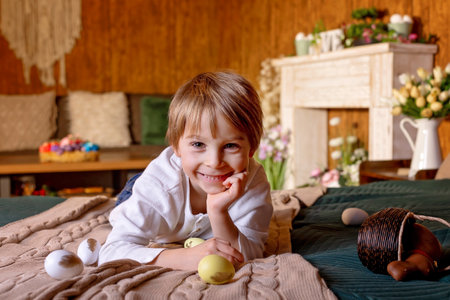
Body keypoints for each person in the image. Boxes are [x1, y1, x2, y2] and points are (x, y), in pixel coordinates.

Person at [99, 71, 273, 271]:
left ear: (252, 148)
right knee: (128, 210)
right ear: (176, 146)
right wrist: (183, 257)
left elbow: (247, 254)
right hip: (143, 190)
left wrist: (218, 212)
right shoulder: (159, 187)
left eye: (230, 146)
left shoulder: (254, 182)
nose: (214, 162)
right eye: (198, 144)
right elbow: (111, 252)